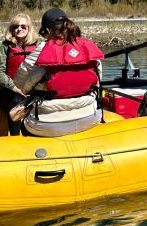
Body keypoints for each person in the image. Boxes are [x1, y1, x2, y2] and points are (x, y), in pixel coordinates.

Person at [13, 8, 104, 137]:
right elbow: (98, 78)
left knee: (24, 124)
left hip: (48, 123)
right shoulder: (86, 46)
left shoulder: (42, 49)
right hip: (90, 117)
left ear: (49, 31)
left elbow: (20, 82)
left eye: (44, 34)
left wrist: (31, 88)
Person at [0, 12, 38, 135]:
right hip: (8, 92)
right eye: (15, 26)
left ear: (29, 28)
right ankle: (15, 135)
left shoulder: (37, 46)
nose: (19, 29)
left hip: (30, 90)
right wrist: (16, 88)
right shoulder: (4, 47)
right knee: (16, 101)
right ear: (11, 29)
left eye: (23, 26)